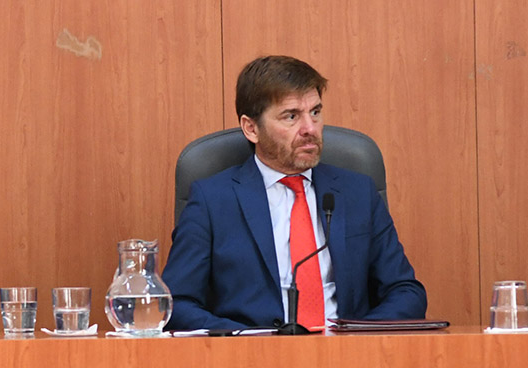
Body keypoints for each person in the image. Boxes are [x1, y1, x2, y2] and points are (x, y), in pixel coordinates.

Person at [162, 55, 426, 331]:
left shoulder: (357, 192)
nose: (310, 129)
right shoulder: (212, 200)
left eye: (315, 112)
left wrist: (355, 337)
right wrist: (246, 340)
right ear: (251, 128)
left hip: (345, 350)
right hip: (251, 352)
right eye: (291, 116)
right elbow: (178, 303)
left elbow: (406, 292)